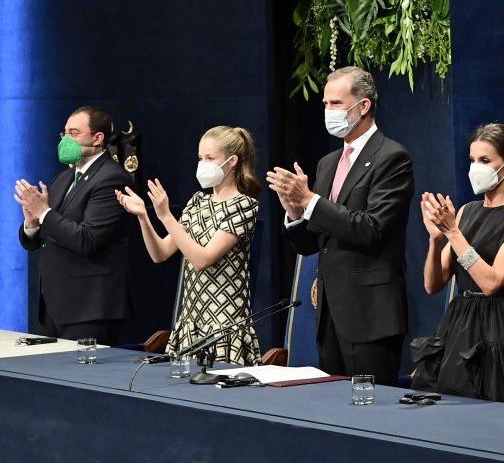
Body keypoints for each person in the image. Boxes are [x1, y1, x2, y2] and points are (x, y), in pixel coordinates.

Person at [266, 66, 414, 386]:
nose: (328, 111)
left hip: (370, 316)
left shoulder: (392, 157)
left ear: (363, 106)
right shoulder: (328, 163)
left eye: (335, 104)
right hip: (329, 315)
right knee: (334, 411)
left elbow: (371, 228)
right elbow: (312, 245)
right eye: (325, 104)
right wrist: (295, 212)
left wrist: (310, 202)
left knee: (371, 412)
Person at [411, 123, 504, 405]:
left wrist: (453, 233)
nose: (475, 168)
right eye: (472, 160)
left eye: (484, 160)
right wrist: (435, 240)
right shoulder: (467, 211)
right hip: (458, 323)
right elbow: (432, 285)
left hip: (500, 327)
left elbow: (492, 283)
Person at [115, 126, 261, 365]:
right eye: (200, 158)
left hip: (223, 325)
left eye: (210, 158)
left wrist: (166, 217)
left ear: (232, 161)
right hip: (191, 321)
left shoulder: (243, 206)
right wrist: (144, 216)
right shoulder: (197, 202)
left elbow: (202, 259)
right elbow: (160, 253)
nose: (203, 164)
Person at [16, 106, 133, 345]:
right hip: (54, 306)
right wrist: (32, 222)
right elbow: (42, 238)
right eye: (64, 134)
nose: (65, 140)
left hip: (89, 308)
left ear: (97, 138)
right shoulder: (64, 178)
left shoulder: (112, 178)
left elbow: (88, 240)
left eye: (74, 133)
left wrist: (44, 212)